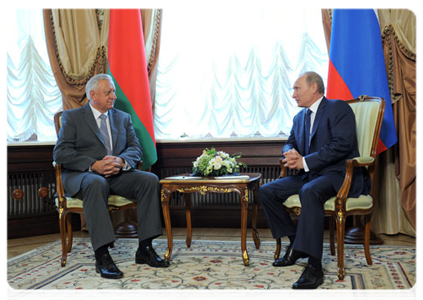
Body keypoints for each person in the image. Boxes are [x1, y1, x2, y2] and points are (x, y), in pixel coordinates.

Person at [258, 71, 369, 291]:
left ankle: (314, 266)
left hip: (337, 175)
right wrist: (290, 153)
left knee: (308, 191)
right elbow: (289, 142)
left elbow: (342, 145)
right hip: (309, 175)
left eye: (297, 89)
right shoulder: (299, 117)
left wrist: (305, 161)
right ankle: (295, 244)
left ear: (314, 88)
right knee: (266, 191)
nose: (293, 95)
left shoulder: (338, 109)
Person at [53, 74, 169, 279]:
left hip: (116, 175)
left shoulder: (122, 118)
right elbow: (60, 154)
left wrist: (121, 161)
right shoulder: (73, 118)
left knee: (149, 180)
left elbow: (135, 148)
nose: (114, 96)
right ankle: (102, 255)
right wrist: (93, 165)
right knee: (96, 183)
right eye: (109, 92)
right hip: (83, 176)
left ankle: (145, 248)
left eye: (113, 91)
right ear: (92, 95)